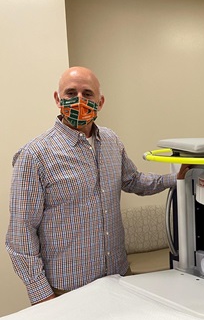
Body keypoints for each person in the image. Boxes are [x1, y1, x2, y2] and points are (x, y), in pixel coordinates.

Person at [6, 66, 188, 305]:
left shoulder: (111, 141)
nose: (79, 100)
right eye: (70, 93)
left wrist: (177, 178)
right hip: (67, 292)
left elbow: (132, 180)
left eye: (87, 94)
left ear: (100, 102)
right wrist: (42, 296)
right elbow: (21, 233)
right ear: (57, 98)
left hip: (119, 277)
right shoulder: (34, 155)